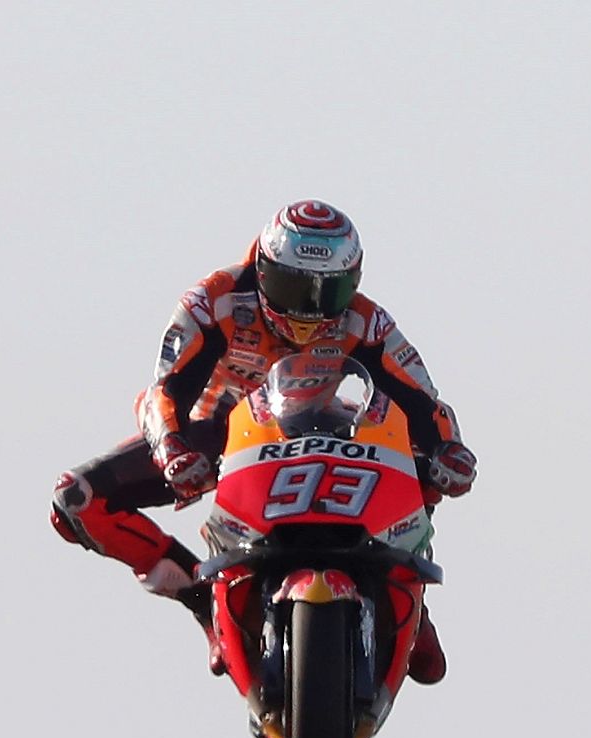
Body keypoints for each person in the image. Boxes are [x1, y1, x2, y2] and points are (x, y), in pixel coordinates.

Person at [51, 200, 476, 681]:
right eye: (293, 286)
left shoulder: (366, 321)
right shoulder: (214, 300)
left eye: (327, 291)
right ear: (263, 268)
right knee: (77, 499)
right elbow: (164, 390)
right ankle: (200, 598)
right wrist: (171, 445)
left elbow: (423, 400)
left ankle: (409, 593)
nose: (308, 308)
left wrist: (450, 449)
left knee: (423, 463)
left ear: (353, 282)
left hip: (324, 427)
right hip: (220, 434)